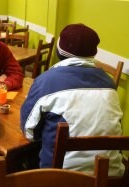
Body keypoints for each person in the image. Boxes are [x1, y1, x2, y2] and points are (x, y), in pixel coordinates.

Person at [20, 23, 124, 176]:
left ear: (59, 51)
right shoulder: (109, 84)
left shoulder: (46, 81)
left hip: (63, 177)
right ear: (93, 53)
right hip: (111, 175)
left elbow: (29, 133)